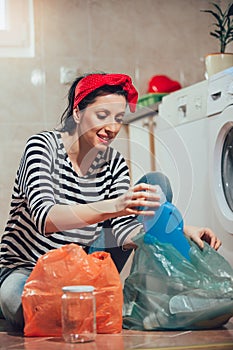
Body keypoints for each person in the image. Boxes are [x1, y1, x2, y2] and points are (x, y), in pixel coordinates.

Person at [0, 72, 221, 332]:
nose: (113, 128)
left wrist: (180, 230)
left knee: (156, 183)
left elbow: (123, 232)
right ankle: (100, 306)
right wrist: (115, 205)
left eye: (118, 118)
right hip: (30, 269)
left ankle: (106, 304)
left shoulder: (114, 163)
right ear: (78, 112)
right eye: (102, 115)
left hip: (83, 269)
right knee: (15, 302)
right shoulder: (42, 147)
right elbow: (45, 218)